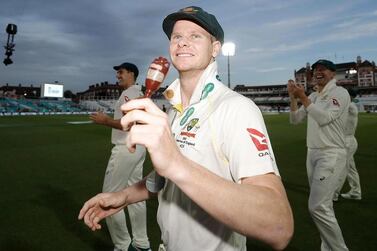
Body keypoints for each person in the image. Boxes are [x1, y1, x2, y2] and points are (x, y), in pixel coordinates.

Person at [80, 6, 293, 251]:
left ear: (215, 49)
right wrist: (124, 196)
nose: (182, 43)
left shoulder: (236, 109)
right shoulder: (174, 110)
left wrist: (175, 164)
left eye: (195, 36)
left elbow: (279, 226)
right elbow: (167, 177)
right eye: (177, 37)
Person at [288, 59, 350, 251]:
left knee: (317, 207)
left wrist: (303, 98)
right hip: (312, 152)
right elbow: (295, 120)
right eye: (315, 69)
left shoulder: (339, 93)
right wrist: (293, 98)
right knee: (324, 206)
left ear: (333, 74)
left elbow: (324, 118)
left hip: (331, 153)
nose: (317, 72)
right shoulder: (315, 95)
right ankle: (327, 248)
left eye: (322, 69)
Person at [89, 62, 151, 251]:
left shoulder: (129, 94)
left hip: (126, 148)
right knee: (136, 197)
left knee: (108, 197)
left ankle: (123, 246)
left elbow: (130, 123)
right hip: (138, 147)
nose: (118, 75)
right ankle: (141, 244)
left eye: (121, 72)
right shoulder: (134, 93)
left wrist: (105, 120)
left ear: (131, 73)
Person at [335, 89, 362, 200]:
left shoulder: (350, 106)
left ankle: (333, 194)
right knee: (350, 168)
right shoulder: (349, 105)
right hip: (347, 141)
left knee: (342, 168)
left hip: (347, 142)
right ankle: (356, 192)